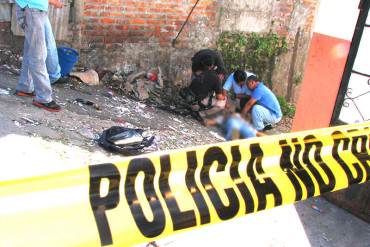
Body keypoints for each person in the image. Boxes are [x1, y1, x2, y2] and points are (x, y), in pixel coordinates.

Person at [14, 0, 63, 112]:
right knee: (38, 55)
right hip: (31, 8)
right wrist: (53, 1)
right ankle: (43, 98)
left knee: (32, 49)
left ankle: (25, 86)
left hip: (35, 8)